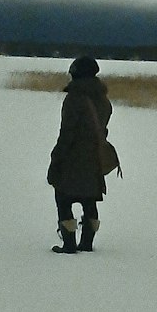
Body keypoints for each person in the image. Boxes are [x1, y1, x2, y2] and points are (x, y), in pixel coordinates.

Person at [46, 56, 113, 254]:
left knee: (63, 198)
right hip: (94, 158)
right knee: (89, 199)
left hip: (73, 158)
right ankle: (87, 243)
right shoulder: (103, 99)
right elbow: (102, 129)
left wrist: (56, 157)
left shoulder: (74, 98)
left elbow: (67, 133)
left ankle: (68, 244)